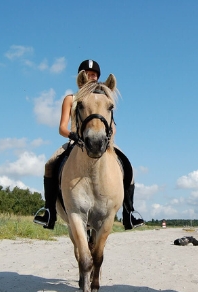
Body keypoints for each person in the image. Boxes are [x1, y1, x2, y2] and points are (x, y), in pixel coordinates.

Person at [33, 59, 145, 230]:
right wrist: (73, 136)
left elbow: (112, 127)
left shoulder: (103, 98)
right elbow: (62, 127)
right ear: (81, 78)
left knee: (128, 166)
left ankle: (129, 213)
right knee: (50, 165)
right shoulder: (71, 98)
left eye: (94, 75)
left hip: (102, 140)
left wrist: (107, 137)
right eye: (87, 74)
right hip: (75, 141)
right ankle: (49, 213)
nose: (91, 77)